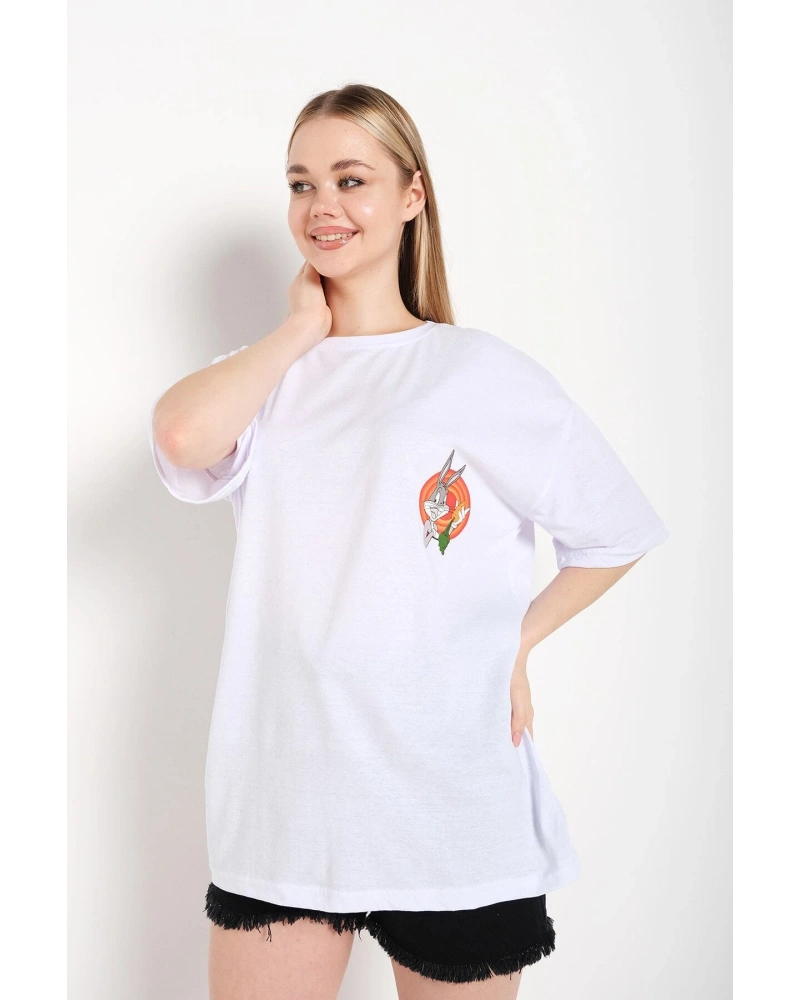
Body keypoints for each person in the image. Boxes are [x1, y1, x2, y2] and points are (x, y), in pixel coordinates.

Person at [149, 84, 669, 999]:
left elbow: (613, 530)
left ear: (412, 196)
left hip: (447, 797)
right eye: (302, 183)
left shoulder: (478, 372)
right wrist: (302, 328)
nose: (323, 205)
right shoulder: (269, 375)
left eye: (351, 179)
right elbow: (183, 437)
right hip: (286, 797)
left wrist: (515, 641)